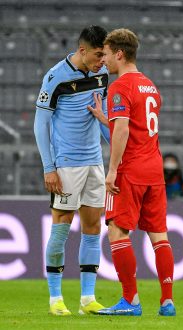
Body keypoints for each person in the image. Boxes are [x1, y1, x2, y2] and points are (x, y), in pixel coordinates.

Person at [88, 28, 176, 316]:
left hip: (130, 170)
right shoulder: (150, 85)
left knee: (117, 231)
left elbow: (124, 129)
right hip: (154, 170)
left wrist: (112, 170)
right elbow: (136, 125)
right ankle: (167, 301)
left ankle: (130, 301)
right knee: (159, 235)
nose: (105, 60)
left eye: (108, 53)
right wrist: (107, 119)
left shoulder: (120, 86)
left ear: (120, 53)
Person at [34, 25, 110, 316]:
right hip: (66, 164)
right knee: (62, 227)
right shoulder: (55, 77)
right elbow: (40, 124)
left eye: (104, 55)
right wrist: (48, 167)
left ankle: (87, 298)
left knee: (92, 227)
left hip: (94, 162)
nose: (103, 60)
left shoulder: (101, 74)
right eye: (98, 54)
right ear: (82, 50)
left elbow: (100, 117)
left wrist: (114, 156)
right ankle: (55, 299)